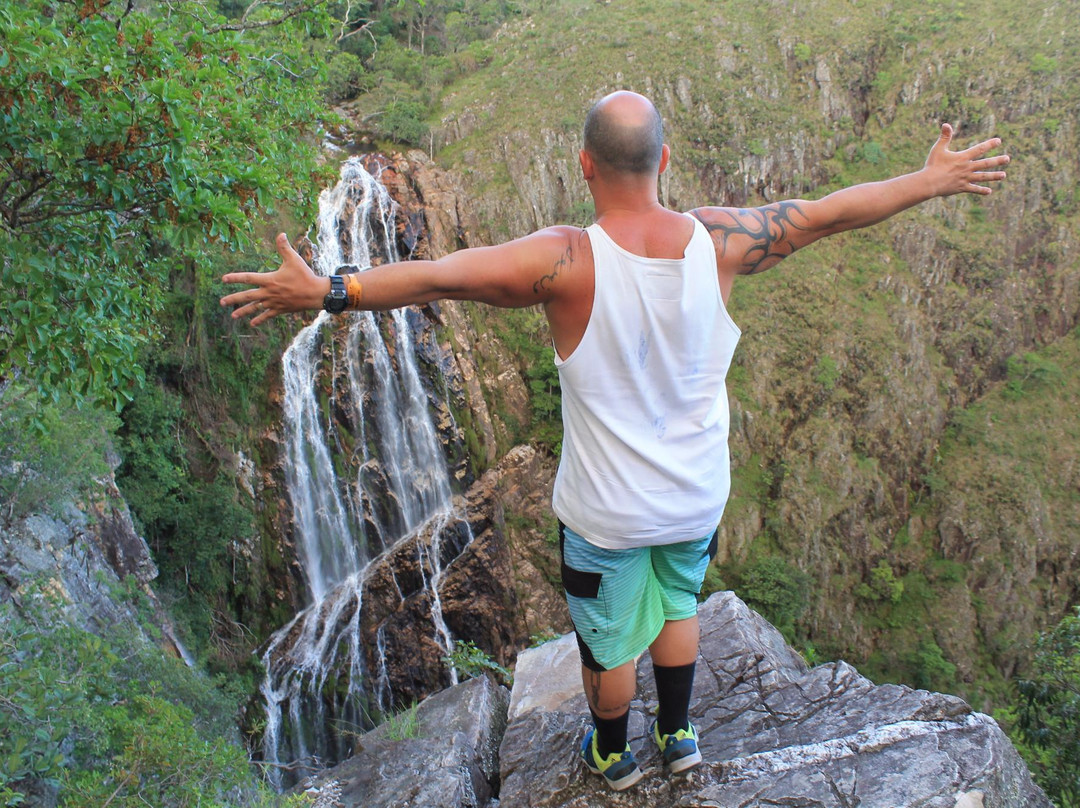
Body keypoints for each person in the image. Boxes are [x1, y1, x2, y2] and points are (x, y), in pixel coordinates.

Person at [221, 91, 1008, 791]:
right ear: (664, 160)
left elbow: (439, 275)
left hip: (606, 517)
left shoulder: (565, 260)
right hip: (696, 496)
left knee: (606, 650)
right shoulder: (722, 240)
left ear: (586, 167)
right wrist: (929, 179)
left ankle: (612, 755)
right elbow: (830, 209)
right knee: (677, 603)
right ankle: (679, 736)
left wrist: (326, 289)